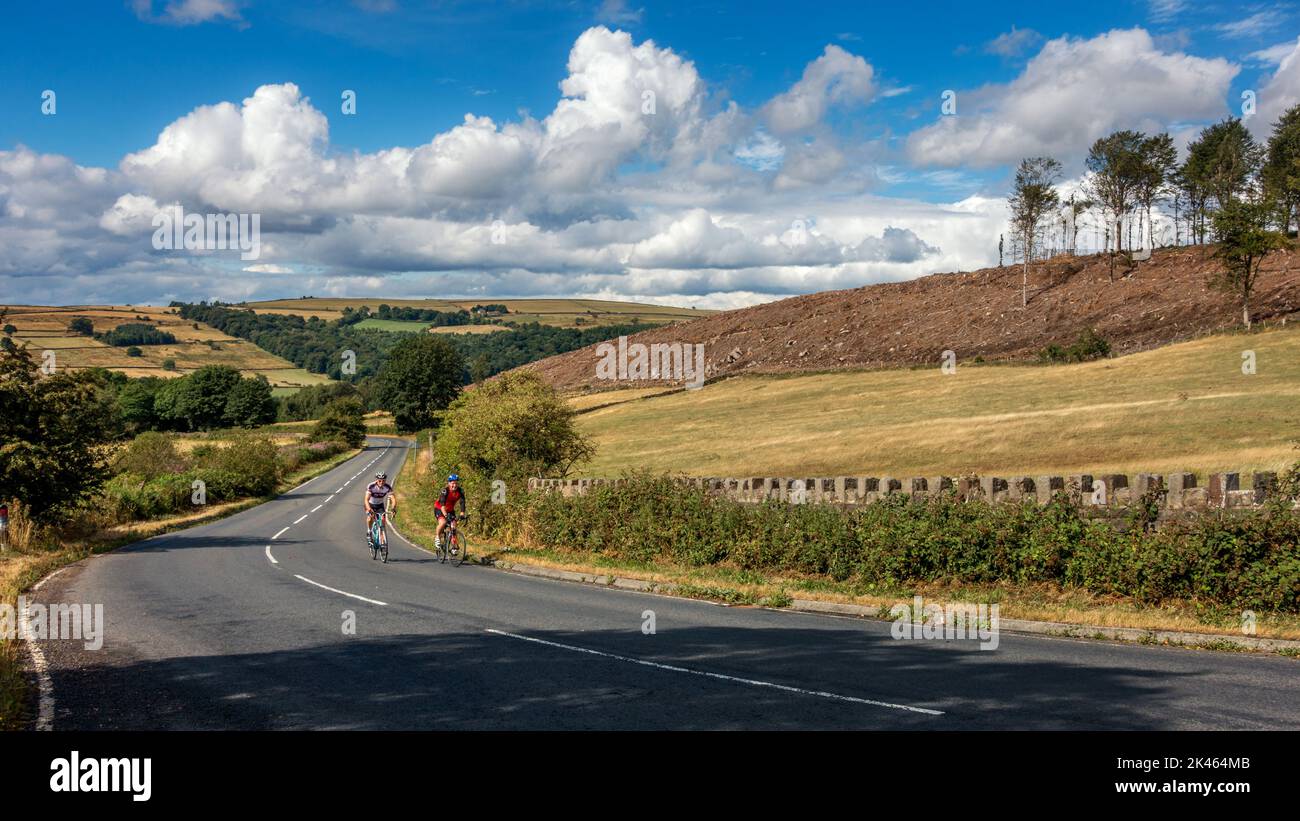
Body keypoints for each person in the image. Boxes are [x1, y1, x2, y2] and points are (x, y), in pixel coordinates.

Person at [434, 473, 467, 554]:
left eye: (456, 483)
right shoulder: (445, 491)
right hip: (439, 508)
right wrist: (445, 515)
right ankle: (437, 537)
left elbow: (462, 502)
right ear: (449, 483)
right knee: (443, 522)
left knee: (453, 527)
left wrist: (462, 513)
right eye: (452, 483)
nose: (454, 485)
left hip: (450, 510)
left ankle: (454, 546)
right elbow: (442, 505)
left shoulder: (460, 491)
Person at [363, 472, 395, 546]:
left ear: (385, 480)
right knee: (370, 518)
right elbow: (366, 499)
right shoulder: (371, 486)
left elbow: (393, 499)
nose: (381, 482)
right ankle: (369, 531)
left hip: (380, 505)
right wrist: (369, 510)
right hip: (370, 504)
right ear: (377, 480)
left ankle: (382, 538)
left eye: (383, 480)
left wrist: (393, 508)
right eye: (379, 480)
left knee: (383, 520)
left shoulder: (387, 487)